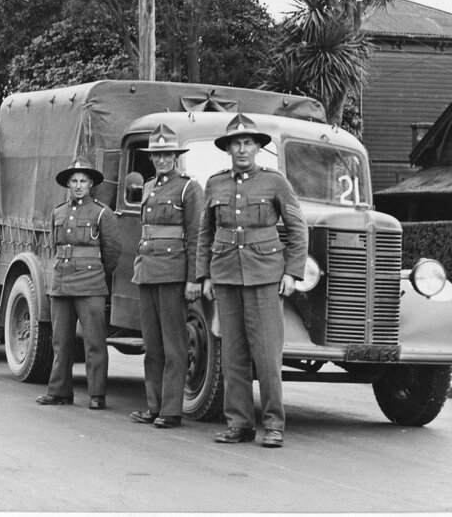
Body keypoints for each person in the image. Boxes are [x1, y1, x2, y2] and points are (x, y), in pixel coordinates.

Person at [196, 113, 307, 449]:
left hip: (264, 276)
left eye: (248, 143)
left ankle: (273, 425)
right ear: (227, 149)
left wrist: (291, 272)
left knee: (268, 356)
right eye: (236, 144)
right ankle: (240, 424)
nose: (242, 149)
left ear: (258, 148)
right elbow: (205, 232)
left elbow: (298, 228)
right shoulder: (215, 184)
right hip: (227, 276)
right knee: (233, 355)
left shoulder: (275, 182)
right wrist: (204, 275)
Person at [129, 124, 204, 429]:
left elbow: (196, 235)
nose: (162, 160)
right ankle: (154, 405)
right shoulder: (148, 188)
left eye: (167, 154)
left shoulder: (188, 188)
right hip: (147, 272)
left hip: (174, 273)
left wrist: (193, 279)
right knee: (152, 344)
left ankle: (171, 411)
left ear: (176, 156)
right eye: (157, 155)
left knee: (175, 345)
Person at [36, 159, 121, 410]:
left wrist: (97, 275)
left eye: (83, 180)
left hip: (91, 283)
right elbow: (54, 246)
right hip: (62, 282)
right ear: (68, 184)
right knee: (60, 341)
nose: (78, 185)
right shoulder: (58, 212)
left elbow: (113, 251)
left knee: (94, 342)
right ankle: (60, 390)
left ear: (91, 183)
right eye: (74, 181)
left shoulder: (102, 213)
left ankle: (97, 394)